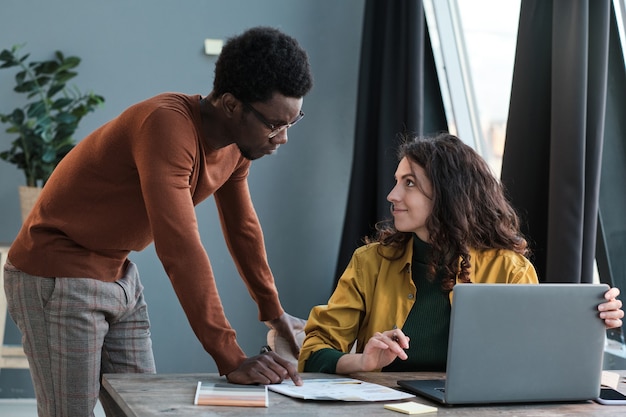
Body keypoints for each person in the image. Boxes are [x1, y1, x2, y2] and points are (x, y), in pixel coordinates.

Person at [4, 26, 313, 417]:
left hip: (119, 274)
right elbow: (180, 247)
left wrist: (272, 308)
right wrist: (230, 356)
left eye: (293, 121)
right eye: (274, 124)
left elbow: (243, 228)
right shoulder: (167, 125)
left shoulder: (237, 148)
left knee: (142, 408)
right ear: (232, 105)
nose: (282, 138)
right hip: (56, 272)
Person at [298, 132, 623, 375]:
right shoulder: (370, 262)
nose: (392, 194)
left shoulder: (510, 269)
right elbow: (313, 353)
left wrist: (586, 324)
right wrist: (363, 361)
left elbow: (536, 359)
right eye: (397, 181)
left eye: (409, 183)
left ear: (448, 194)